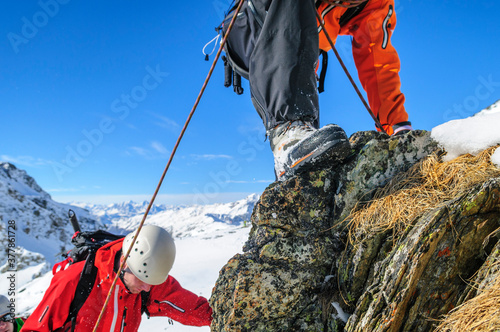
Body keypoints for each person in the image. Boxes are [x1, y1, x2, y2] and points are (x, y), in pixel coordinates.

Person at [223, 0, 413, 179]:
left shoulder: (375, 4)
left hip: (299, 48)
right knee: (296, 124)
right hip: (252, 27)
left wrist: (397, 126)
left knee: (312, 150)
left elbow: (376, 60)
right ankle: (287, 136)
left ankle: (297, 151)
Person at [22, 225, 212, 332]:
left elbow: (192, 309)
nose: (147, 288)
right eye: (141, 280)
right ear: (124, 263)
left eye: (153, 283)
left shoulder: (149, 278)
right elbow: (35, 329)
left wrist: (226, 317)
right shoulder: (75, 280)